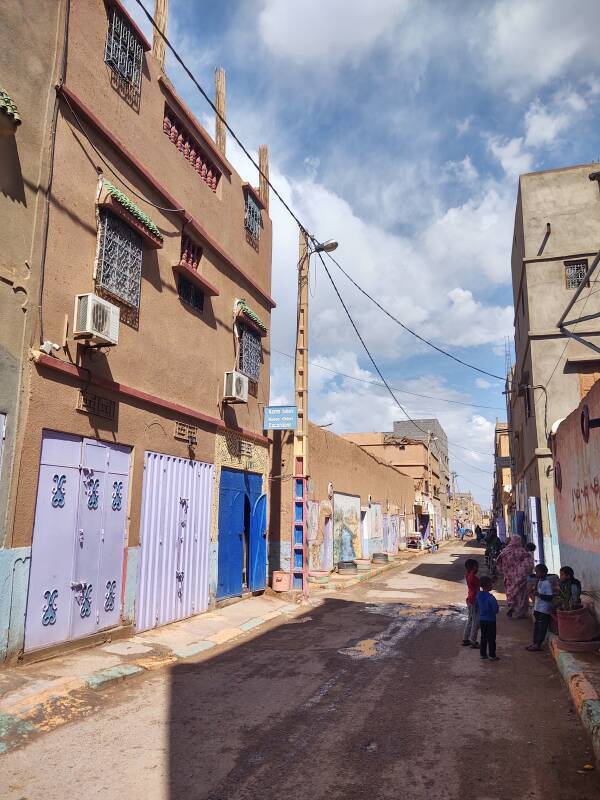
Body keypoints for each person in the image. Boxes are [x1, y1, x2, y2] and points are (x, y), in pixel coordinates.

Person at [496, 536, 534, 618]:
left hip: (508, 577)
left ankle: (512, 606)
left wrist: (505, 571)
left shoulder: (505, 551)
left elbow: (499, 562)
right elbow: (528, 560)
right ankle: (520, 612)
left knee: (511, 592)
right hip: (519, 576)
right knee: (521, 594)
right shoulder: (520, 551)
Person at [526, 564, 554, 652]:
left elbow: (549, 597)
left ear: (543, 573)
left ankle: (538, 644)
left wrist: (539, 595)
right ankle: (534, 643)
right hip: (537, 608)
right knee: (537, 627)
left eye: (537, 572)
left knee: (542, 628)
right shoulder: (539, 581)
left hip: (544, 610)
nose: (536, 573)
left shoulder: (546, 583)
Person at [477, 575, 499, 660]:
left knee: (483, 637)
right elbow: (495, 610)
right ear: (487, 585)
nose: (492, 586)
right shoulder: (491, 598)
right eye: (491, 584)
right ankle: (492, 655)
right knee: (491, 638)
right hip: (491, 620)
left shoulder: (479, 595)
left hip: (482, 619)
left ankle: (483, 654)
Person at [462, 559, 480, 648]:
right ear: (474, 568)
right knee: (476, 621)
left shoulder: (467, 575)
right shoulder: (474, 578)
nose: (478, 569)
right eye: (477, 567)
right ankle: (473, 641)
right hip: (474, 601)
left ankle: (466, 639)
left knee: (470, 619)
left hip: (470, 600)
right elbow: (478, 589)